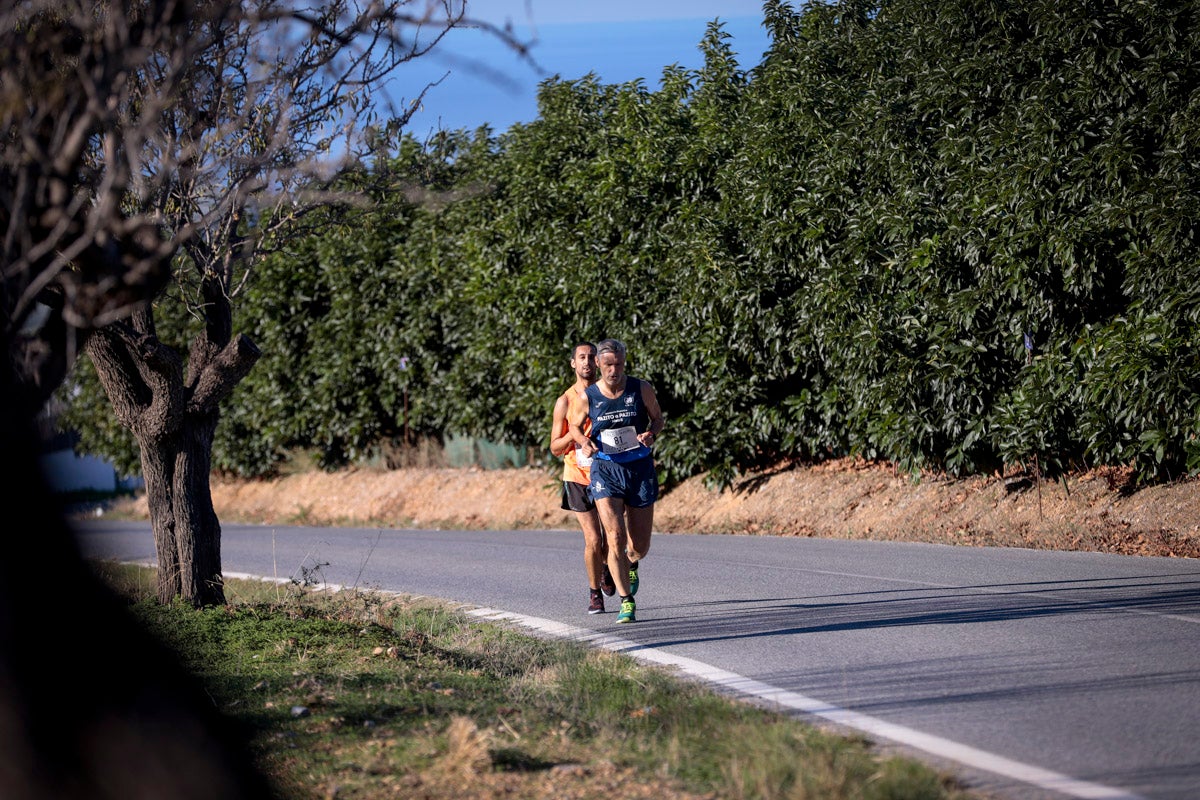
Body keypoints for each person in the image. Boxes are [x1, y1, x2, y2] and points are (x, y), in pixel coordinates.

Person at [567, 338, 664, 624]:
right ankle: (626, 600)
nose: (614, 370)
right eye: (608, 365)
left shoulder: (640, 388)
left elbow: (658, 419)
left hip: (639, 470)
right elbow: (573, 425)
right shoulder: (588, 397)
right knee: (615, 537)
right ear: (598, 363)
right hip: (605, 470)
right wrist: (584, 441)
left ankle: (631, 563)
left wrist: (651, 433)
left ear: (624, 362)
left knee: (640, 546)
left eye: (619, 364)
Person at [550, 341, 616, 614]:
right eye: (582, 357)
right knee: (593, 539)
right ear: (573, 364)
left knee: (613, 537)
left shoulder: (608, 392)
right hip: (577, 475)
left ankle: (605, 566)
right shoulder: (564, 401)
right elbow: (554, 447)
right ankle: (594, 594)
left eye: (591, 357)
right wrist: (576, 434)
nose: (587, 362)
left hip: (608, 472)